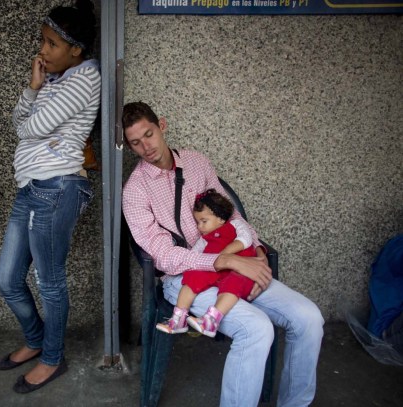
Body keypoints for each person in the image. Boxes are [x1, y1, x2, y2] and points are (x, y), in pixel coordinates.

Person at [122, 101, 324, 407]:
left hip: (233, 265)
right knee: (256, 329)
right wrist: (224, 260)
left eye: (148, 134)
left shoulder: (197, 163)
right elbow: (163, 255)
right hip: (185, 280)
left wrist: (253, 250)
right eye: (136, 143)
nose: (146, 147)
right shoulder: (135, 191)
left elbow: (231, 214)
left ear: (161, 125)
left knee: (309, 317)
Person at [0, 0, 100, 394]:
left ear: (76, 50)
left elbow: (30, 126)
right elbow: (19, 122)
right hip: (31, 188)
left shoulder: (86, 77)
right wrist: (34, 87)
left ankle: (52, 358)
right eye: (42, 40)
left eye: (52, 44)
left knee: (49, 281)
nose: (42, 50)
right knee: (6, 278)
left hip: (57, 188)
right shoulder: (55, 81)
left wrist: (34, 116)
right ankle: (36, 337)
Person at [156, 189, 257, 337]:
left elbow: (245, 239)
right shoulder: (204, 240)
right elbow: (195, 256)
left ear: (221, 219)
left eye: (204, 221)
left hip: (240, 269)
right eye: (198, 222)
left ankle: (211, 321)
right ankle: (179, 318)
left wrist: (224, 256)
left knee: (234, 284)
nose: (199, 227)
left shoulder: (235, 225)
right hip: (216, 269)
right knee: (192, 276)